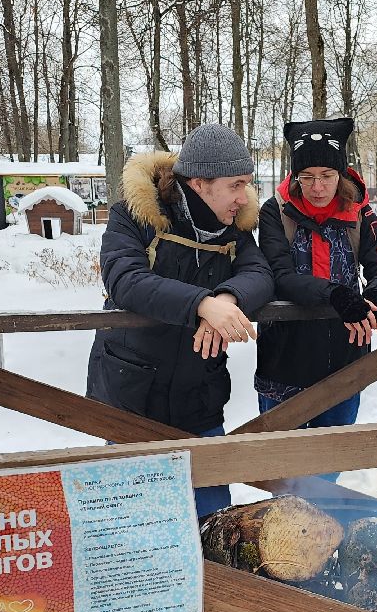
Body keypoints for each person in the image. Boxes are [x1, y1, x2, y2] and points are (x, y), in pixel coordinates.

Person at [86, 123, 273, 517]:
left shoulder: (234, 229)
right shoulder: (133, 216)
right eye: (236, 184)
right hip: (131, 400)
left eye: (247, 184)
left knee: (213, 520)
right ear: (201, 183)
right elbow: (125, 280)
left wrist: (227, 297)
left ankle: (219, 582)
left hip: (198, 398)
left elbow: (260, 275)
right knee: (128, 524)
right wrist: (203, 304)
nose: (245, 196)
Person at [254, 117, 377, 475]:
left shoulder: (361, 213)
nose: (318, 187)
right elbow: (281, 277)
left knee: (328, 468)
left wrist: (372, 299)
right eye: (307, 177)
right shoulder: (274, 212)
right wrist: (337, 295)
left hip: (345, 360)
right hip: (284, 362)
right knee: (283, 471)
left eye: (326, 175)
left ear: (341, 173)